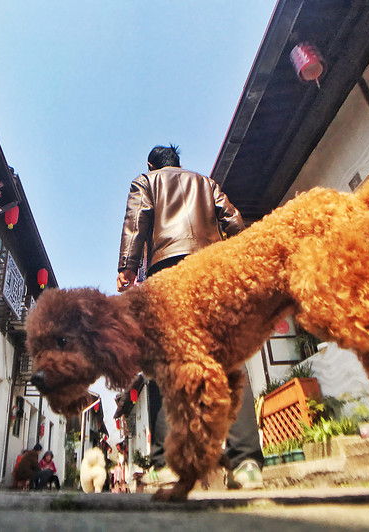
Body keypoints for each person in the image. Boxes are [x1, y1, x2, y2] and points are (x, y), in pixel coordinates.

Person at [117, 145, 264, 489]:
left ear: (151, 165)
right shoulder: (206, 183)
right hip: (211, 268)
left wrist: (126, 268)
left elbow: (137, 223)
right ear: (179, 163)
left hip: (167, 271)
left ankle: (167, 465)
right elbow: (234, 221)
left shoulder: (146, 181)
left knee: (164, 362)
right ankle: (246, 465)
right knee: (226, 359)